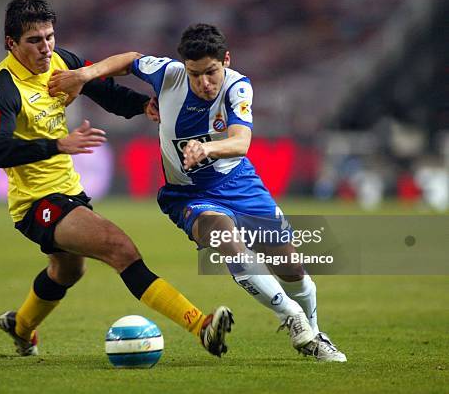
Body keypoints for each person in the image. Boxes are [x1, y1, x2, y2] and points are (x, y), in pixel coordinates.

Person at [48, 23, 347, 362]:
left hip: (239, 185)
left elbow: (241, 141)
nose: (204, 83)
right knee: (226, 241)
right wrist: (85, 75)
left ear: (226, 61)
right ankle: (290, 317)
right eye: (195, 74)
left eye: (211, 72)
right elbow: (130, 60)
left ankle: (316, 332)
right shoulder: (169, 74)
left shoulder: (237, 87)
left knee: (290, 265)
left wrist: (208, 150)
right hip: (190, 195)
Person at [0, 0, 234, 359]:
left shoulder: (60, 61)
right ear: (11, 43)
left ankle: (20, 327)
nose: (46, 47)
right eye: (35, 40)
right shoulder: (4, 88)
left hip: (68, 192)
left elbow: (101, 88)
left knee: (66, 271)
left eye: (49, 37)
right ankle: (201, 326)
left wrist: (140, 105)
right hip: (36, 202)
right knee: (120, 248)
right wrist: (58, 144)